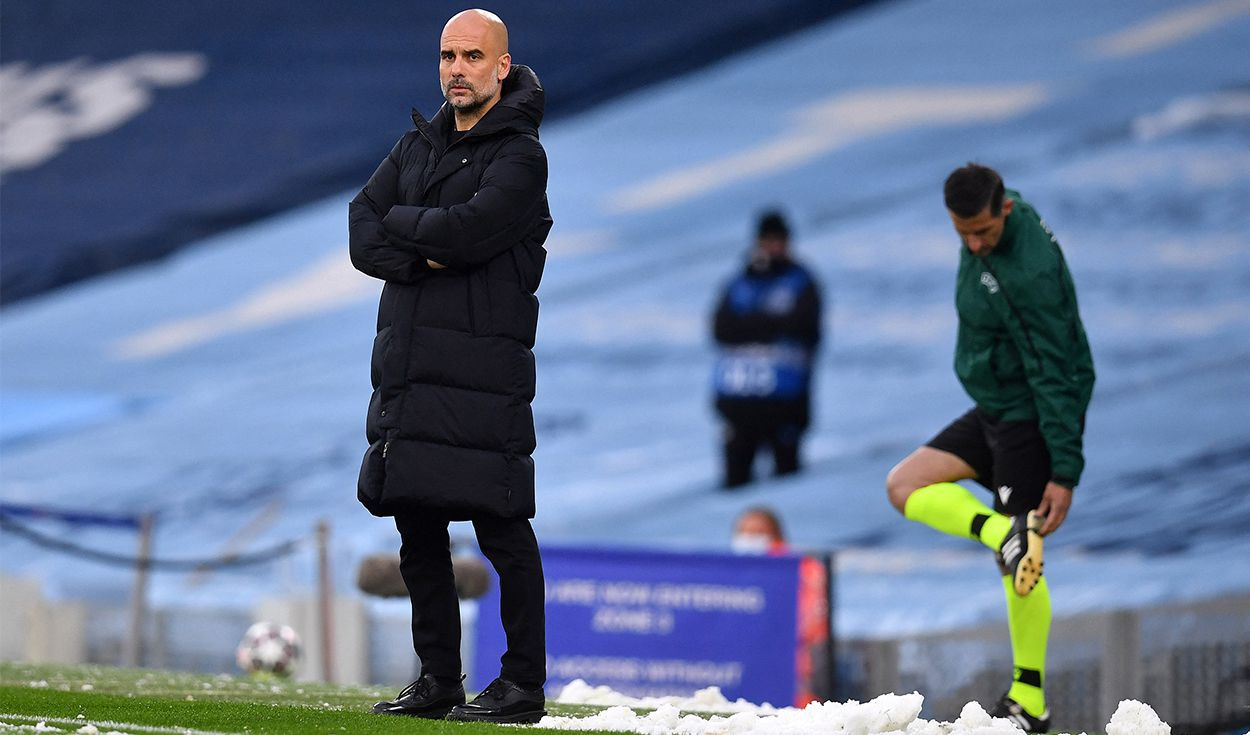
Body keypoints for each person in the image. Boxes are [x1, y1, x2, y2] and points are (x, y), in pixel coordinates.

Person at [348, 8, 551, 724]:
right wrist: (424, 241)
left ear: (502, 67)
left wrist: (406, 227)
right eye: (447, 56)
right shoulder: (417, 145)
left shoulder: (522, 156)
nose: (456, 68)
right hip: (410, 370)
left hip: (482, 375)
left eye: (471, 56)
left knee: (502, 528)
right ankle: (439, 678)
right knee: (417, 528)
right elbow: (359, 229)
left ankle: (523, 683)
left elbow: (466, 233)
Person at [885, 164, 1094, 733]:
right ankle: (1001, 532)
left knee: (1021, 566)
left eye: (984, 233)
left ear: (1004, 210)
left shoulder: (1028, 273)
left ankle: (1030, 700)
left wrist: (1064, 470)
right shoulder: (992, 220)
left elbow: (1060, 370)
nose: (975, 245)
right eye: (962, 234)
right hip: (994, 407)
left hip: (1028, 418)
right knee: (904, 485)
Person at [712, 211, 822, 489]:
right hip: (738, 398)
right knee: (735, 481)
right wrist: (772, 324)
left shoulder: (802, 282)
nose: (773, 246)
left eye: (779, 240)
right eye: (767, 240)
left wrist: (750, 323)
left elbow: (804, 328)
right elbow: (721, 329)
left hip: (785, 399)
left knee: (788, 480)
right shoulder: (739, 282)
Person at [730, 507, 832, 706]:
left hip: (796, 667)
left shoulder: (802, 569)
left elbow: (813, 620)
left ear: (776, 535)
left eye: (757, 533)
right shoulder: (732, 571)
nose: (748, 538)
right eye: (743, 532)